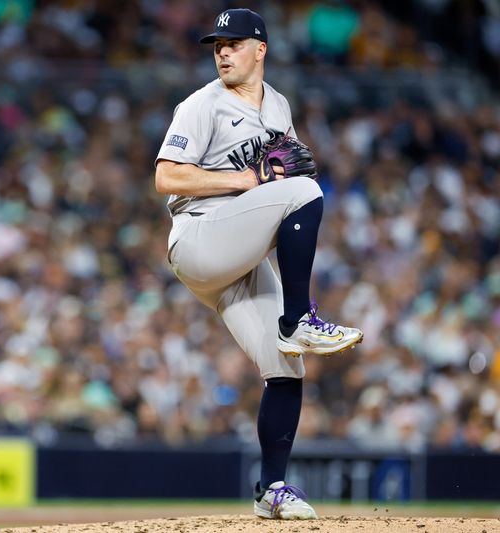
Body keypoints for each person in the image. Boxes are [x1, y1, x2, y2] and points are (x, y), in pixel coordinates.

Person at [154, 8, 363, 520]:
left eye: (233, 42)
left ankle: (272, 489)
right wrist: (247, 182)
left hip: (239, 254)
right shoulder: (202, 105)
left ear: (260, 49)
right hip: (201, 237)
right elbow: (167, 178)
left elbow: (278, 183)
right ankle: (299, 320)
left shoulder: (280, 107)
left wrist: (269, 185)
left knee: (285, 366)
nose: (222, 52)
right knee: (306, 191)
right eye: (217, 45)